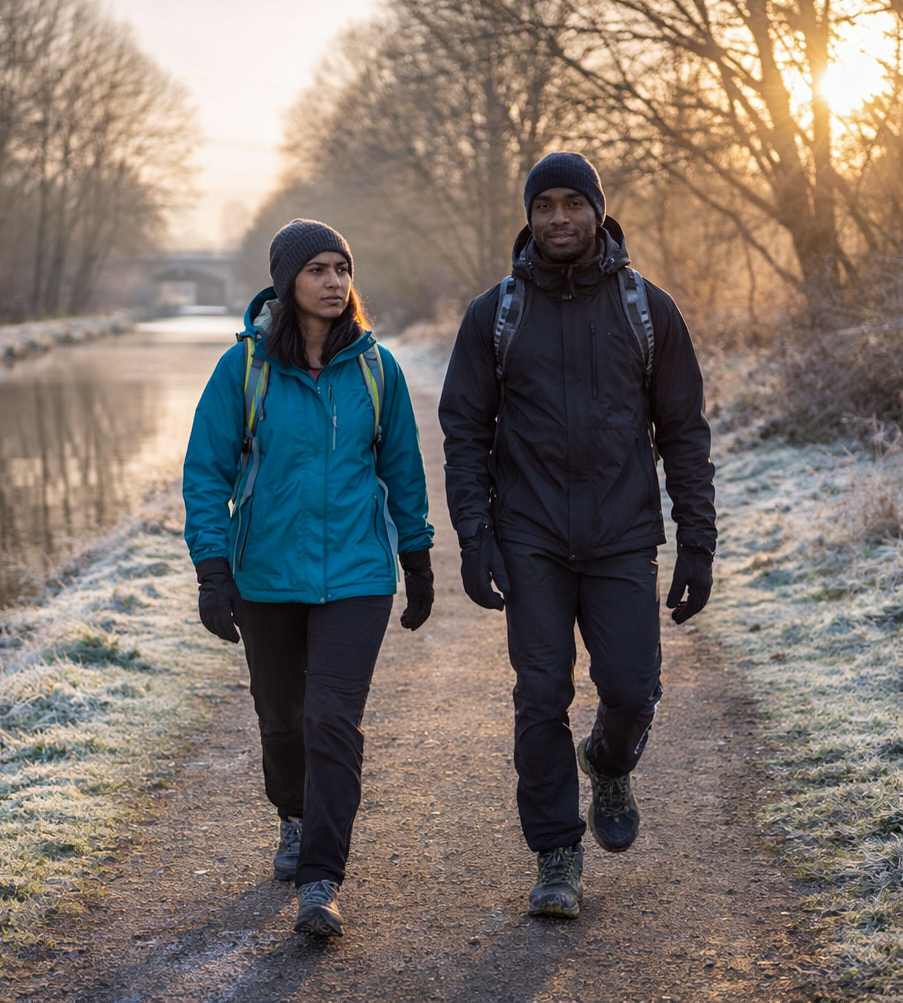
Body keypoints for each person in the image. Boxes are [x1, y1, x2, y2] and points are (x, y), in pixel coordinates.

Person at [438, 152, 716, 919]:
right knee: (540, 694)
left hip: (624, 533)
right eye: (544, 205)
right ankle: (556, 855)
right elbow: (464, 430)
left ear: (599, 211)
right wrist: (476, 536)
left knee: (630, 688)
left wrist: (698, 543)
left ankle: (610, 760)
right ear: (528, 216)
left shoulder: (646, 309)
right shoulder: (495, 313)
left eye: (573, 203)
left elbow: (684, 433)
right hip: (530, 537)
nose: (559, 217)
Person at [183, 219, 434, 938]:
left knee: (332, 719)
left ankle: (322, 879)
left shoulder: (377, 369)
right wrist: (211, 568)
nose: (334, 282)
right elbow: (207, 472)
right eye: (318, 269)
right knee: (281, 718)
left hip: (358, 574)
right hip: (266, 574)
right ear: (287, 282)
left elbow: (404, 470)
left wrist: (416, 558)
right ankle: (292, 815)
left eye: (342, 268)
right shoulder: (247, 368)